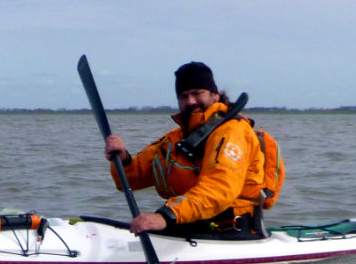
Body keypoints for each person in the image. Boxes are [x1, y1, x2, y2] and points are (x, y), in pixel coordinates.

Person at [103, 61, 270, 238]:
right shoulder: (176, 139)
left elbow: (219, 189)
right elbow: (129, 181)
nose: (191, 101)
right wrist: (123, 160)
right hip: (187, 225)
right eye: (184, 96)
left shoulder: (232, 132)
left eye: (197, 93)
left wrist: (166, 216)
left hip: (230, 232)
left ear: (215, 96)